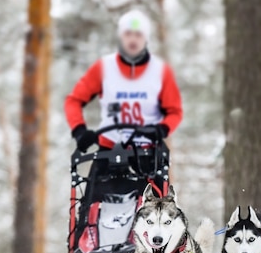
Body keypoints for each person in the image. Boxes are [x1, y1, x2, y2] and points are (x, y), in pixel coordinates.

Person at [64, 10, 183, 152]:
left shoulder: (160, 70)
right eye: (128, 33)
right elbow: (74, 101)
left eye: (138, 34)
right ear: (120, 36)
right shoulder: (103, 67)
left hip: (148, 150)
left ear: (146, 39)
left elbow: (175, 111)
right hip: (110, 146)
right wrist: (79, 131)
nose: (133, 39)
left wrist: (162, 129)